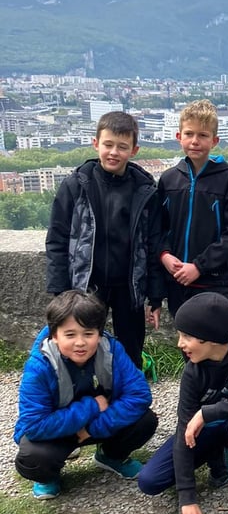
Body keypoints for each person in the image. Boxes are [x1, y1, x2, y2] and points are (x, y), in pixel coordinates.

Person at [137, 292, 228, 514]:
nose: (180, 343)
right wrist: (187, 496)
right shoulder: (193, 371)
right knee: (149, 481)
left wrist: (207, 413)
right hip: (206, 431)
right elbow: (184, 429)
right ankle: (215, 454)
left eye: (187, 336)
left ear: (213, 339)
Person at [45, 111, 163, 369]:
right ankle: (83, 392)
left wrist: (155, 297)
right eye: (108, 144)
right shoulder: (75, 186)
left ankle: (128, 393)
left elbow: (153, 245)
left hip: (129, 286)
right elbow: (57, 240)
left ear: (134, 150)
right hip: (86, 284)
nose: (113, 152)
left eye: (122, 147)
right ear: (95, 143)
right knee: (80, 348)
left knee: (130, 352)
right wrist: (60, 292)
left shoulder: (145, 190)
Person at [14, 290, 158, 499]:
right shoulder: (39, 366)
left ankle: (110, 456)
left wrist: (91, 429)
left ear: (99, 334)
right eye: (70, 335)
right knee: (33, 458)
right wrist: (91, 406)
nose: (80, 342)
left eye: (88, 334)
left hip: (97, 424)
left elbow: (140, 396)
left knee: (145, 421)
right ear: (55, 336)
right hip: (59, 430)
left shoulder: (112, 350)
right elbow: (34, 425)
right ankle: (48, 476)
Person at [158, 99, 228, 317]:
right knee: (184, 335)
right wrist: (164, 255)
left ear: (214, 141)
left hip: (214, 280)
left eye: (203, 135)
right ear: (179, 137)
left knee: (213, 335)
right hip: (177, 279)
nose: (195, 141)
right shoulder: (169, 180)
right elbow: (158, 227)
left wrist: (199, 266)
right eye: (189, 134)